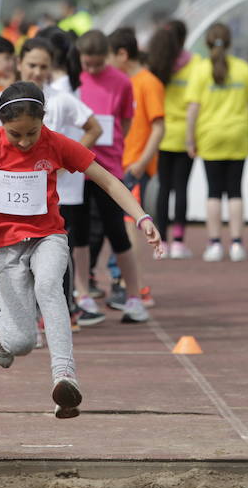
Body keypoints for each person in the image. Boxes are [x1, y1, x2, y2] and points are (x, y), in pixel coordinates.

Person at [0, 81, 162, 418]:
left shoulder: (56, 144)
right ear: (1, 123)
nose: (24, 141)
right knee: (22, 343)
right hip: (5, 248)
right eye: (15, 134)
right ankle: (0, 316)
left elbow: (107, 180)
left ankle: (65, 376)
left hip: (49, 236)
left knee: (49, 285)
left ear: (44, 120)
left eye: (32, 132)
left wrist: (141, 216)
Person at [0, 37, 104, 329]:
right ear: (19, 63)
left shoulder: (61, 99)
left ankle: (63, 309)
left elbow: (93, 127)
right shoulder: (2, 102)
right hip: (13, 195)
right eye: (31, 64)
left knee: (59, 253)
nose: (36, 71)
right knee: (18, 256)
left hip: (61, 194)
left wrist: (66, 161)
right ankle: (20, 313)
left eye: (43, 66)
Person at [72, 30, 149, 323]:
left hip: (109, 168)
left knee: (117, 232)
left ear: (107, 56)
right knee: (78, 235)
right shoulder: (73, 81)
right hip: (77, 169)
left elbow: (127, 121)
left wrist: (115, 145)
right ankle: (84, 294)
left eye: (97, 63)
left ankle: (133, 296)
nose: (91, 69)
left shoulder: (121, 82)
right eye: (86, 63)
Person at [185, 23, 248, 262]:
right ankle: (237, 244)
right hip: (238, 133)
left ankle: (215, 244)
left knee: (214, 191)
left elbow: (193, 109)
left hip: (210, 135)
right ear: (230, 43)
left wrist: (190, 138)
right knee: (236, 190)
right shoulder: (243, 69)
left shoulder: (199, 70)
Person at [107, 27, 164, 307]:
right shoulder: (118, 82)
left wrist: (142, 161)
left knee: (130, 222)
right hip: (115, 163)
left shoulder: (148, 82)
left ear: (122, 54)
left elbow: (158, 126)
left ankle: (134, 285)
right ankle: (119, 280)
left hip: (133, 166)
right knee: (114, 224)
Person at [149, 21, 198, 259]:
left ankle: (163, 241)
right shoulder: (195, 64)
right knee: (181, 188)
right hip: (186, 135)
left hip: (161, 134)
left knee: (163, 189)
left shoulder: (156, 64)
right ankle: (178, 241)